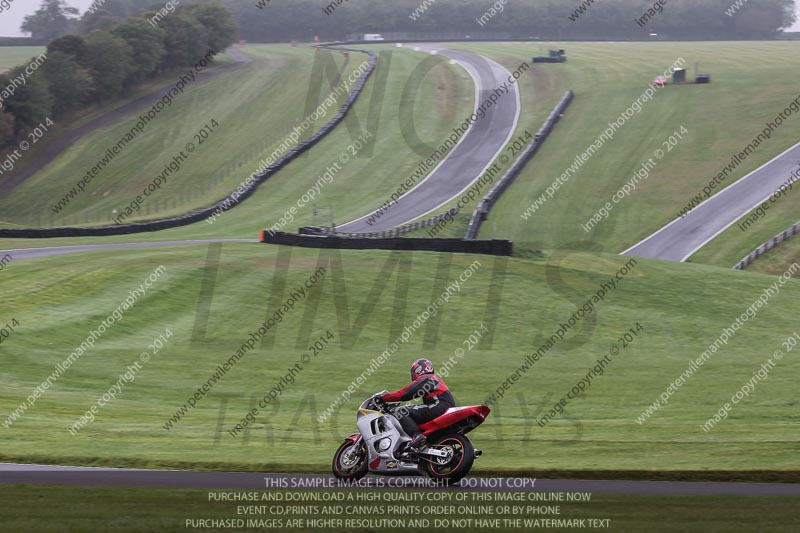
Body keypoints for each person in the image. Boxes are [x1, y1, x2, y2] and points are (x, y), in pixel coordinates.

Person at [381, 358, 456, 449]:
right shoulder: (435, 378)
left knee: (400, 411)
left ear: (418, 369)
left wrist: (383, 398)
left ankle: (417, 436)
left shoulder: (426, 378)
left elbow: (405, 394)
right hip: (444, 407)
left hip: (439, 406)